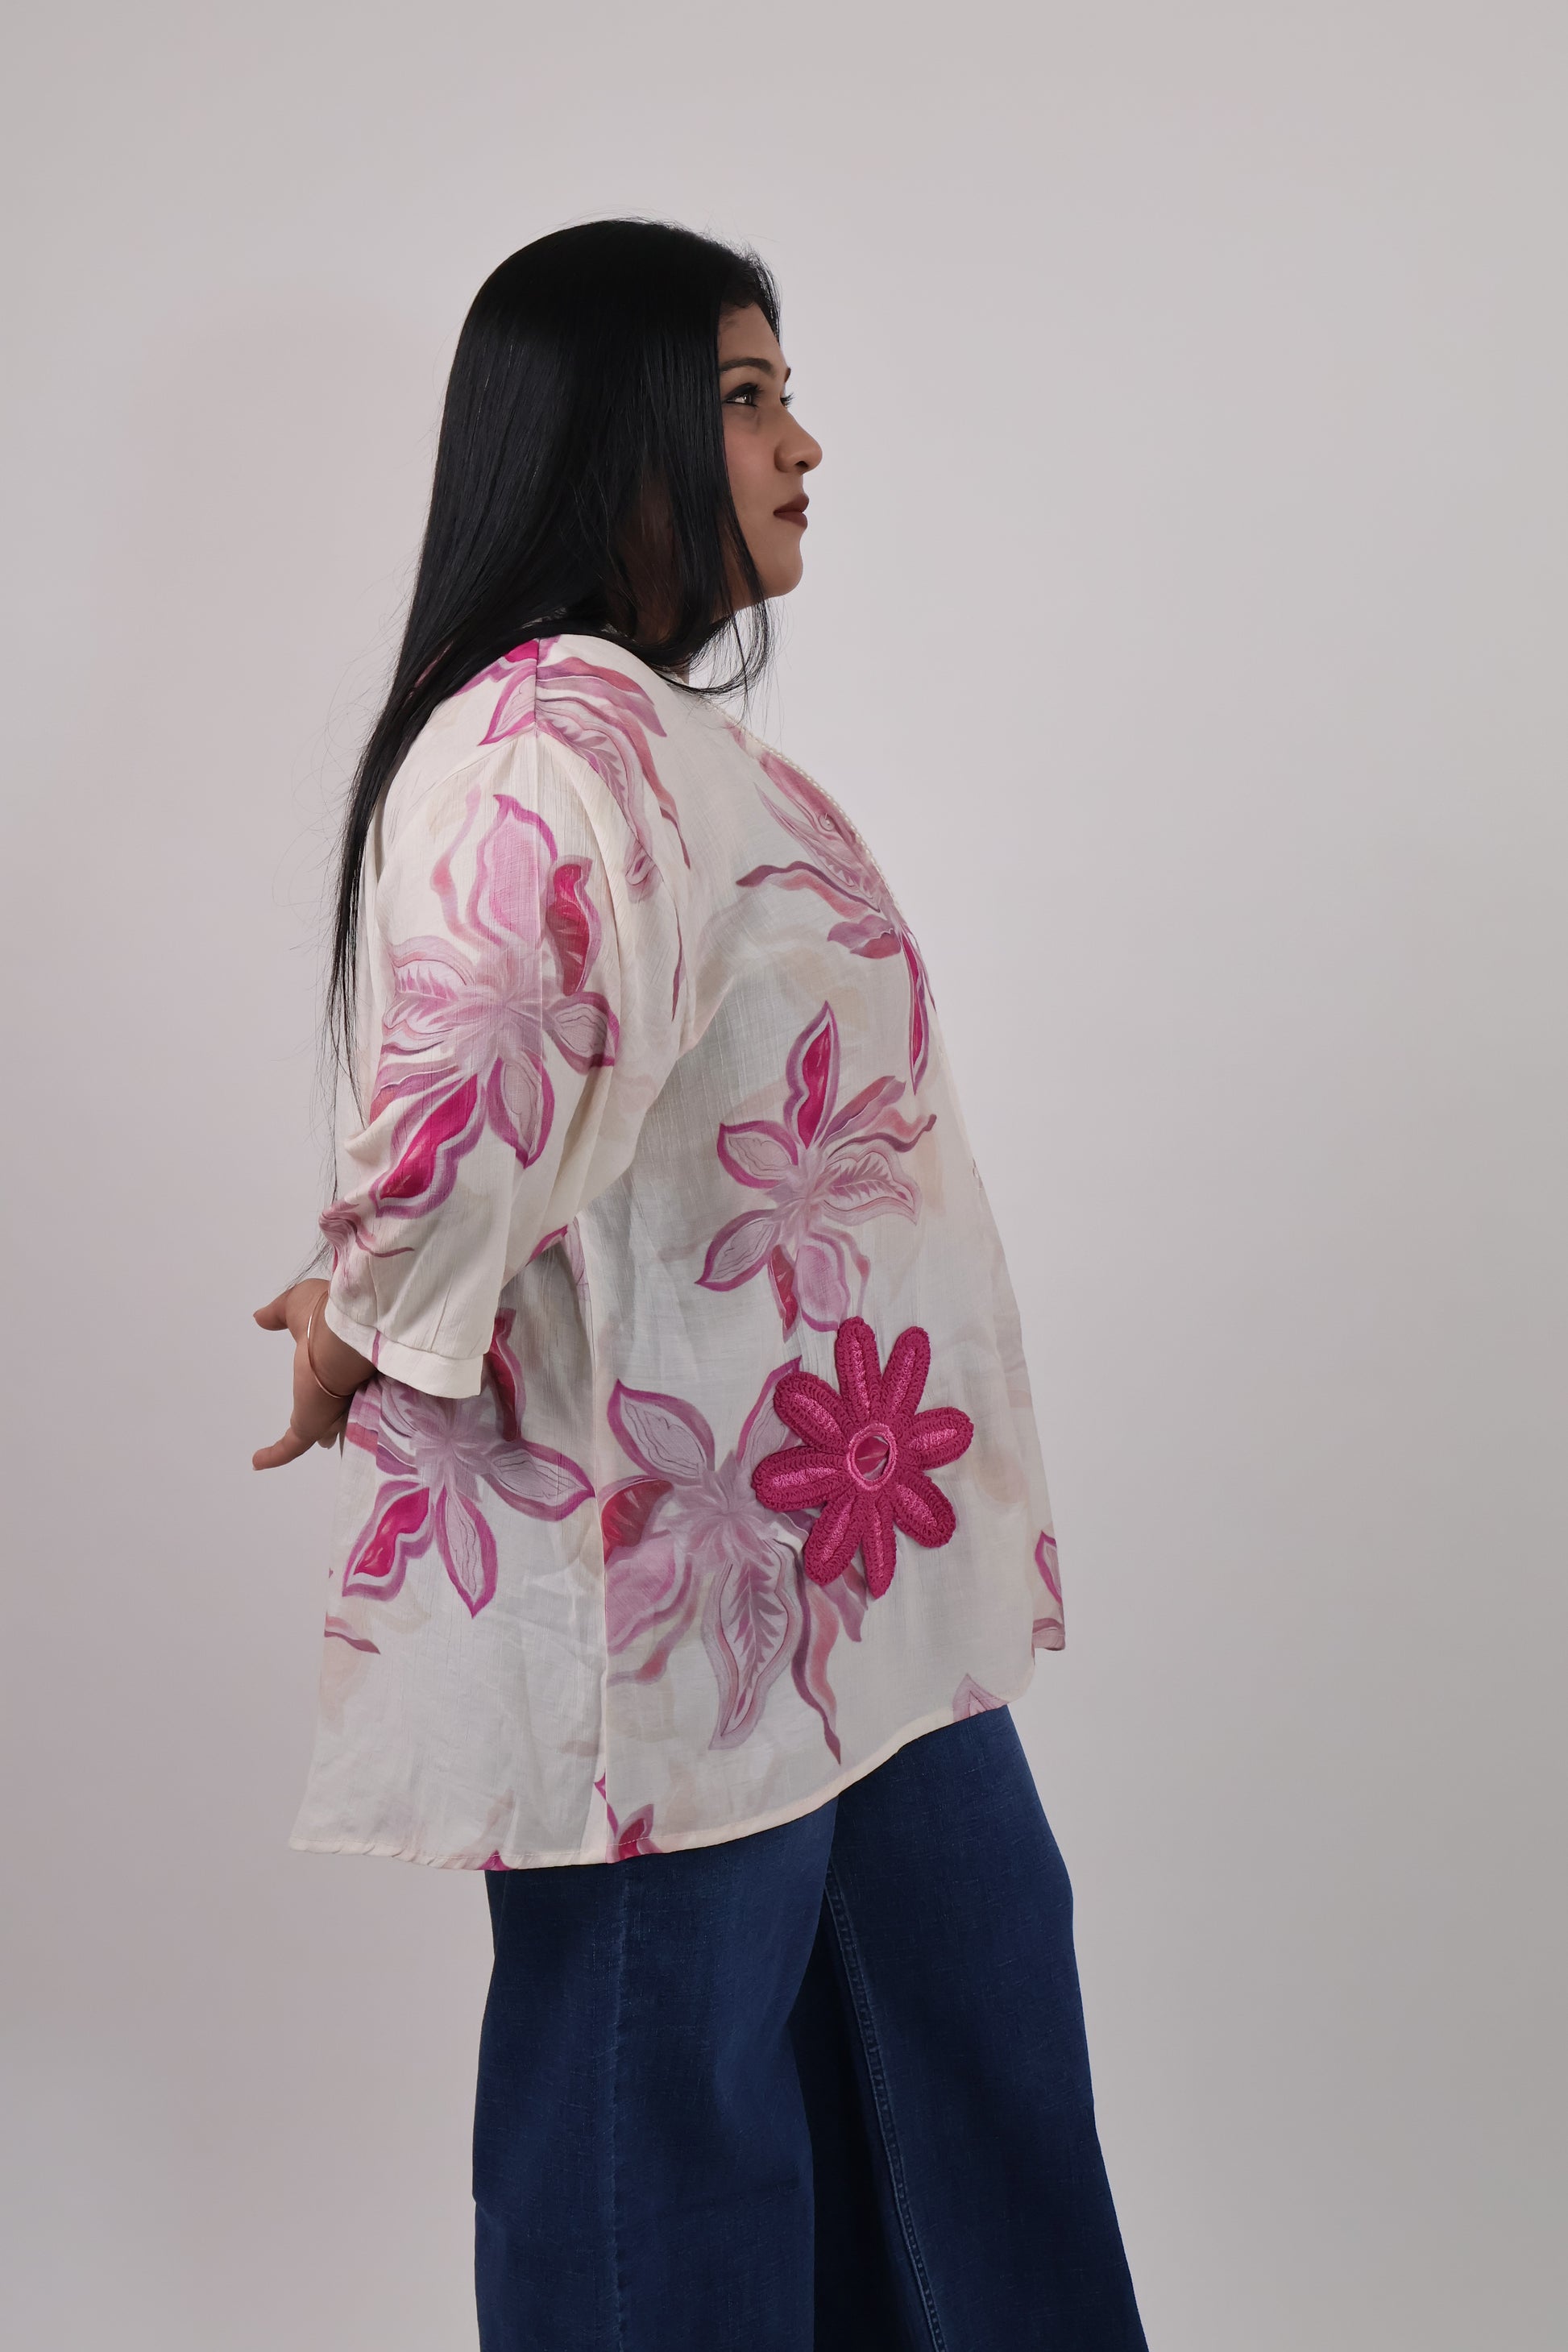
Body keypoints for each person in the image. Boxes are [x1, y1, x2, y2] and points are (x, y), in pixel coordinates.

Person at [254, 219, 1147, 2352]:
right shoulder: (543, 739)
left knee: (966, 2060)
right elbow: (493, 1049)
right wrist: (371, 1295)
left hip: (832, 1571)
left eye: (782, 395)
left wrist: (376, 1279)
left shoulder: (642, 733)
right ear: (612, 436)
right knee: (661, 2141)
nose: (800, 446)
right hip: (670, 1593)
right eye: (746, 400)